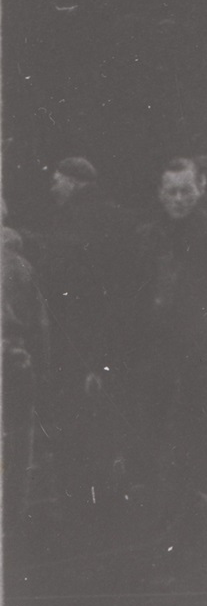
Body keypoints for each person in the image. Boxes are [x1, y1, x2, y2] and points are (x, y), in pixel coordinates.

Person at [131, 157, 207, 544]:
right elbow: (135, 294)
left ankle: (188, 522)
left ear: (201, 189)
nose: (179, 199)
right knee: (157, 438)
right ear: (159, 193)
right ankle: (172, 515)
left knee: (193, 437)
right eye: (171, 191)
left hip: (201, 358)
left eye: (186, 190)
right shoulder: (149, 236)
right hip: (156, 355)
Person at [36, 156, 139, 525]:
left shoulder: (75, 221)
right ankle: (112, 501)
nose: (52, 187)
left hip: (79, 343)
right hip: (112, 341)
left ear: (75, 181)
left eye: (57, 179)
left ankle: (85, 510)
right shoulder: (119, 217)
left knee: (79, 425)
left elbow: (74, 282)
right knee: (108, 423)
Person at [3, 210, 49, 529]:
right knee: (17, 449)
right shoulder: (21, 266)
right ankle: (12, 521)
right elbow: (40, 326)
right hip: (16, 361)